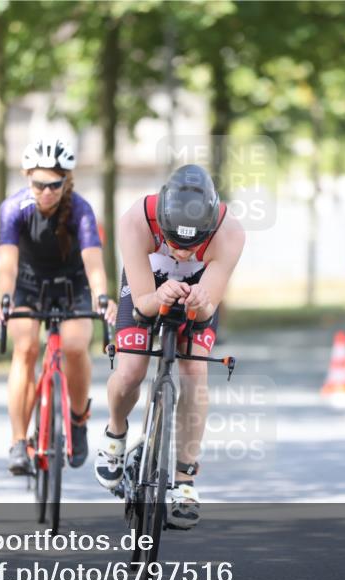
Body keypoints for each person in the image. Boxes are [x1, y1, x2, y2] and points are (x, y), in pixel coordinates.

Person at [95, 164, 245, 529]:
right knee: (131, 369)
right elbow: (144, 302)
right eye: (174, 242)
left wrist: (200, 302)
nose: (180, 252)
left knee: (194, 371)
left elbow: (209, 307)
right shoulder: (136, 219)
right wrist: (158, 295)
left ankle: (185, 479)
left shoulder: (230, 233)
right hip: (148, 283)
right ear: (161, 222)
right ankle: (115, 433)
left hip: (199, 289)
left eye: (191, 246)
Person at [0, 138, 115, 475]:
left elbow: (93, 263)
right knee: (27, 348)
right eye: (39, 184)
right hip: (29, 285)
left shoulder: (81, 210)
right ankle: (19, 442)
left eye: (55, 185)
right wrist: (5, 298)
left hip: (72, 283)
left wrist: (101, 297)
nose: (47, 192)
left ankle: (77, 420)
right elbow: (7, 265)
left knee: (76, 346)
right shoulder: (13, 209)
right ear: (26, 177)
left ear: (67, 181)